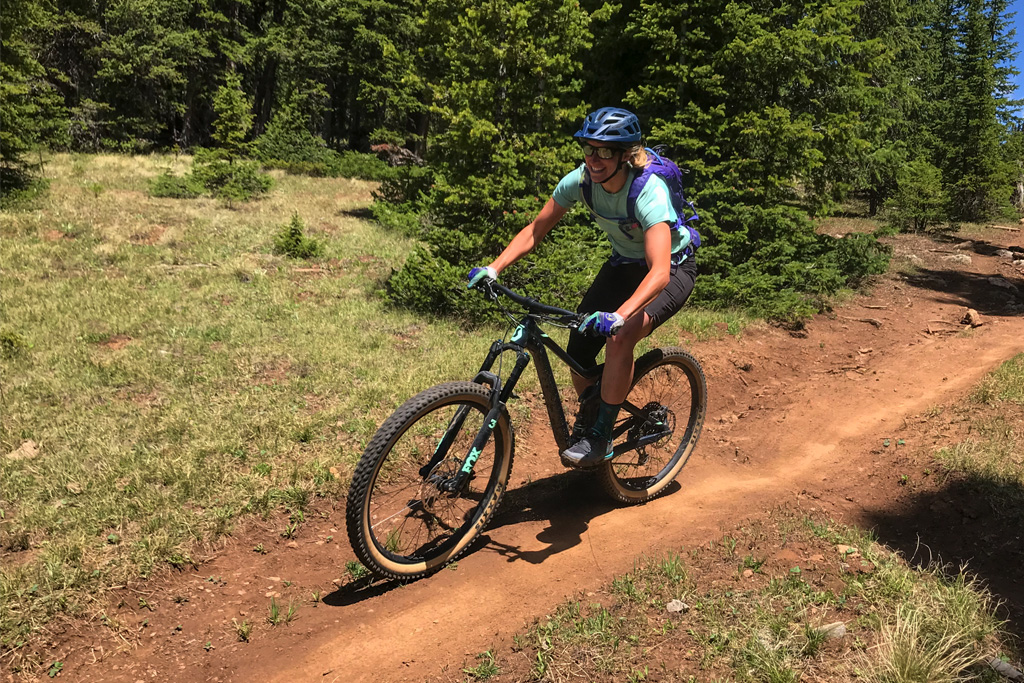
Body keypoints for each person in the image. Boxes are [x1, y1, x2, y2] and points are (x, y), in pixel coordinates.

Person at [468, 107, 698, 468]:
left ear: (626, 154)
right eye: (588, 149)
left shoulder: (647, 192)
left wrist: (619, 316)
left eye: (605, 151)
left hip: (672, 268)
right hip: (623, 266)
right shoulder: (579, 182)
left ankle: (601, 436)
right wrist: (493, 268)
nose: (594, 159)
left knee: (620, 338)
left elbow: (659, 273)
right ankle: (595, 412)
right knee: (578, 346)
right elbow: (534, 230)